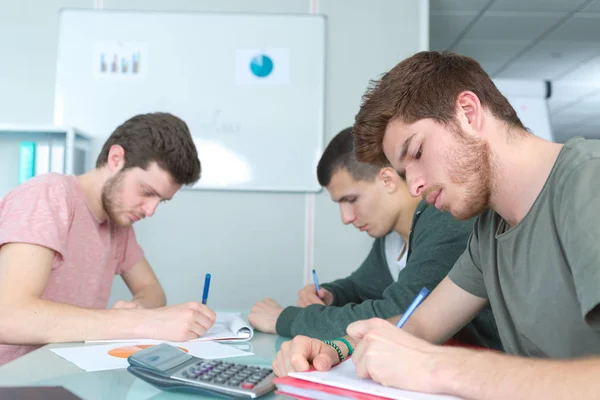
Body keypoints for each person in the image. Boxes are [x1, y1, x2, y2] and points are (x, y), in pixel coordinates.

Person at [271, 51, 600, 398]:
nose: (413, 186)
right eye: (403, 172)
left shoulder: (588, 181)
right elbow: (419, 325)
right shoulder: (489, 228)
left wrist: (438, 367)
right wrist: (336, 351)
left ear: (468, 113)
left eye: (416, 153)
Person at [249, 127, 501, 351]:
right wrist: (331, 295)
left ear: (388, 180)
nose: (346, 218)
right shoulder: (392, 235)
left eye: (351, 200)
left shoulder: (445, 220)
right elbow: (361, 287)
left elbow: (395, 315)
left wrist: (286, 320)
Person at [0, 112, 216, 365]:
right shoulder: (48, 196)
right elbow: (8, 315)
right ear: (116, 158)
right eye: (147, 192)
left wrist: (140, 308)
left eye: (161, 201)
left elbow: (152, 291)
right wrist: (140, 322)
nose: (150, 210)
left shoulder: (118, 223)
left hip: (65, 371)